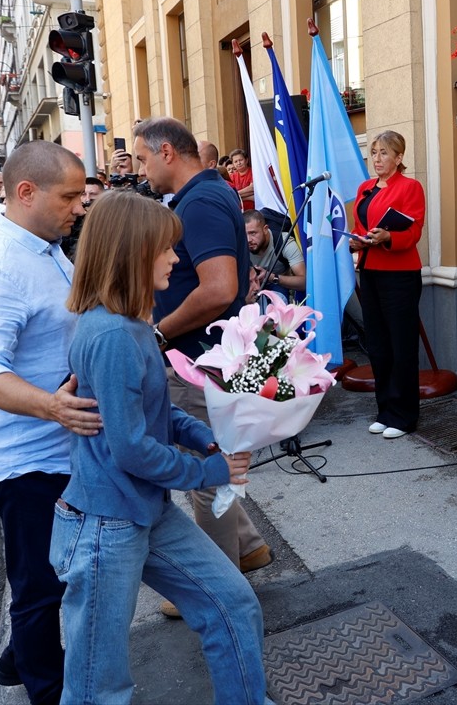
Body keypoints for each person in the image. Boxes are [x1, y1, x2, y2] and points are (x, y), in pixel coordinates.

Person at [56, 191, 267, 704]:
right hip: (107, 524)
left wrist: (206, 439)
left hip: (142, 511)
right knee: (97, 685)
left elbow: (158, 413)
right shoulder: (112, 335)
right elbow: (131, 448)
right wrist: (211, 471)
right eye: (166, 248)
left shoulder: (131, 326)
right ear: (132, 251)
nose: (175, 258)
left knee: (233, 606)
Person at [0, 141, 100, 704]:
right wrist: (53, 406)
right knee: (39, 591)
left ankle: (18, 656)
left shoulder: (47, 248)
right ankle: (47, 690)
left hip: (60, 449)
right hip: (26, 464)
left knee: (60, 576)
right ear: (25, 193)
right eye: (69, 197)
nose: (79, 207)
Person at [134, 117, 273, 616]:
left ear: (167, 152)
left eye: (143, 159)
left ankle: (217, 586)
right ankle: (248, 546)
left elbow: (217, 289)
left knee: (204, 473)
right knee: (211, 462)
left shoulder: (200, 201)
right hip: (204, 355)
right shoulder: (205, 195)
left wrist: (159, 333)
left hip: (198, 359)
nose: (142, 170)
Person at [348, 131, 426, 440]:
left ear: (399, 157)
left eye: (384, 153)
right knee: (378, 345)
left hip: (399, 275)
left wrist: (389, 236)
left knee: (401, 345)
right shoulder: (365, 188)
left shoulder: (410, 187)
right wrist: (356, 241)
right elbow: (360, 227)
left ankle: (404, 416)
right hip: (370, 271)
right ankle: (386, 410)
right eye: (374, 153)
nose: (377, 159)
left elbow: (413, 232)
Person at [245, 209, 305, 303]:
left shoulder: (284, 242)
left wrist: (272, 277)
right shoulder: (239, 244)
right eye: (245, 234)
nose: (248, 240)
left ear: (265, 229)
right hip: (250, 286)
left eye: (253, 233)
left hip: (278, 285)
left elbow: (304, 282)